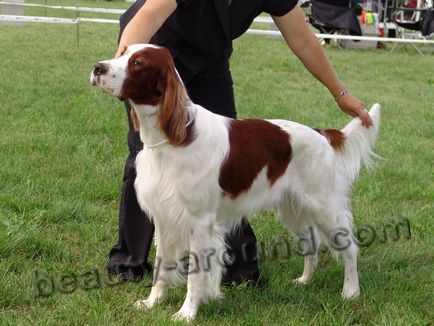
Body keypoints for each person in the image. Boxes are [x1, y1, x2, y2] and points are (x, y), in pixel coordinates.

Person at [107, 0, 373, 283]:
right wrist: (122, 72)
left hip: (211, 57)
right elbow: (149, 14)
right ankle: (129, 263)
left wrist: (340, 94)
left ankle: (237, 266)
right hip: (153, 58)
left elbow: (302, 39)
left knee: (228, 161)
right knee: (148, 157)